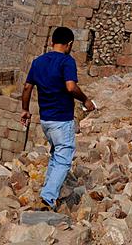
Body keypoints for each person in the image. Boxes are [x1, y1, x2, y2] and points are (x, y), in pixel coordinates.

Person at [20, 26, 96, 211]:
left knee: (56, 155)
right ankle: (48, 198)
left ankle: (48, 187)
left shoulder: (38, 62)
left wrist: (25, 110)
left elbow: (27, 87)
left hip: (45, 120)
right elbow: (70, 87)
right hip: (61, 119)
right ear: (69, 44)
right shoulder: (66, 61)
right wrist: (85, 100)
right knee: (64, 158)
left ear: (51, 41)